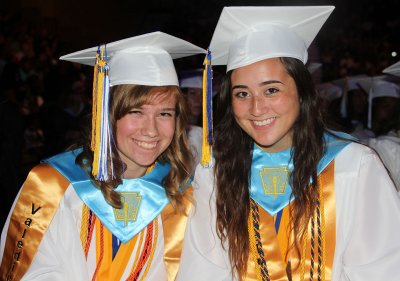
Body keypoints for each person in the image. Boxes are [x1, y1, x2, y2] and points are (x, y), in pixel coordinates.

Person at [177, 6, 400, 281]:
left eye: (271, 90)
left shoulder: (353, 165)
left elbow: (381, 270)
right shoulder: (215, 172)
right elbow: (204, 271)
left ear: (303, 93)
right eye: (242, 93)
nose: (257, 108)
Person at [0, 31, 205, 280]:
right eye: (136, 112)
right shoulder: (51, 187)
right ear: (107, 115)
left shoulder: (184, 192)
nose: (151, 130)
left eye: (164, 114)